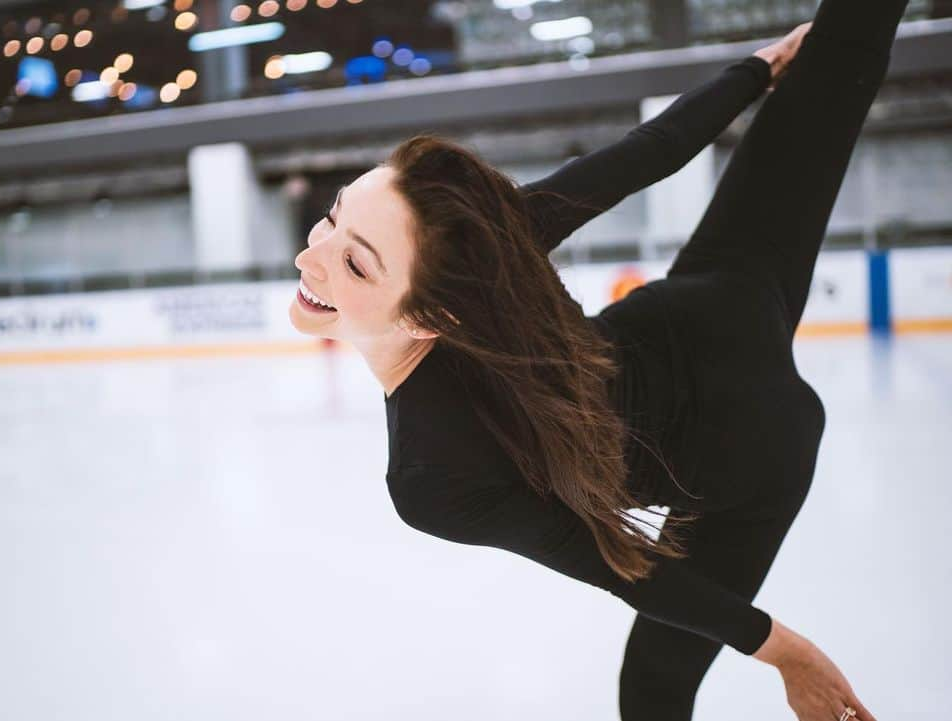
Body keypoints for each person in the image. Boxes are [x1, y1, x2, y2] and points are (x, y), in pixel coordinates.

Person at [290, 1, 907, 718]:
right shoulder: (480, 268)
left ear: (433, 316)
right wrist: (756, 71)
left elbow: (629, 569)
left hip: (750, 435)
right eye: (333, 224)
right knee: (827, 82)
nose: (309, 255)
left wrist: (788, 653)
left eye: (349, 249)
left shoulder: (431, 472)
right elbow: (646, 151)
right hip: (718, 299)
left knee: (650, 692)